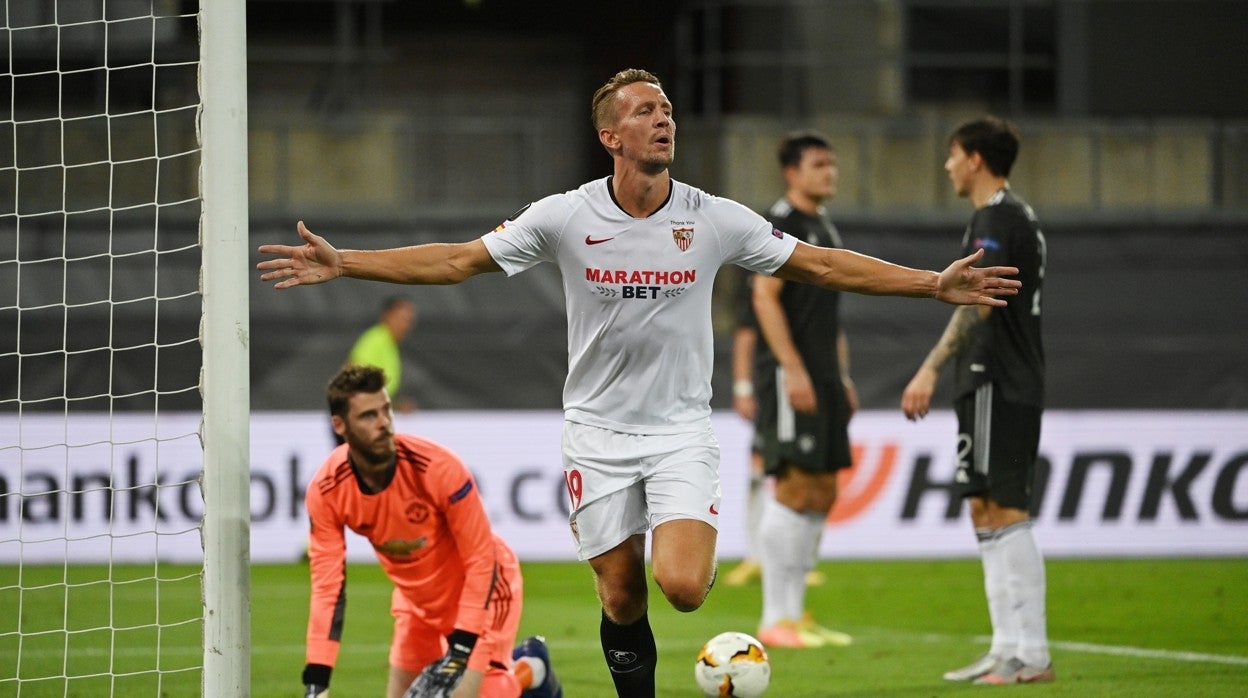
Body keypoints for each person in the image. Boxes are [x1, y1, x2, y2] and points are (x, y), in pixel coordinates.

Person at [261, 68, 1020, 697]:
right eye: (644, 111)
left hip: (681, 429)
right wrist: (346, 261)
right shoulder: (564, 217)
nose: (663, 121)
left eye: (666, 109)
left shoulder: (713, 218)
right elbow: (458, 260)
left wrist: (930, 283)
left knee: (683, 586)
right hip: (595, 431)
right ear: (610, 136)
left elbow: (818, 264)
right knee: (621, 594)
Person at [301, 365, 562, 698]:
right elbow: (328, 588)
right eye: (368, 416)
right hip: (415, 603)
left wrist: (463, 644)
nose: (384, 423)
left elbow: (481, 559)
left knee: (479, 694)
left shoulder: (438, 468)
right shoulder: (327, 490)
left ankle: (530, 670)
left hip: (483, 590)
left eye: (386, 410)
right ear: (340, 426)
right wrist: (317, 681)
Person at [900, 116, 1052, 684]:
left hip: (997, 377)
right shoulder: (1014, 218)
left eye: (952, 154)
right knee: (985, 509)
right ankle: (1006, 646)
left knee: (1006, 508)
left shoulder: (996, 218)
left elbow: (978, 300)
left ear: (975, 160)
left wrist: (929, 367)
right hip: (997, 378)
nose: (947, 165)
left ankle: (1030, 654)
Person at [750, 131, 856, 649]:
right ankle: (775, 617)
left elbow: (831, 316)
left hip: (826, 375)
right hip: (791, 373)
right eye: (819, 164)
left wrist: (842, 374)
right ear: (792, 172)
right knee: (793, 486)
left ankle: (797, 614)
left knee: (824, 489)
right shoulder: (781, 227)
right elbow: (764, 296)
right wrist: (791, 368)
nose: (829, 173)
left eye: (832, 163)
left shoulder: (824, 228)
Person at [347, 296, 419, 413]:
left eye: (409, 320)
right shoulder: (376, 338)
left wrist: (396, 406)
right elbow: (352, 372)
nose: (406, 325)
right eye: (401, 318)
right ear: (387, 316)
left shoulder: (390, 344)